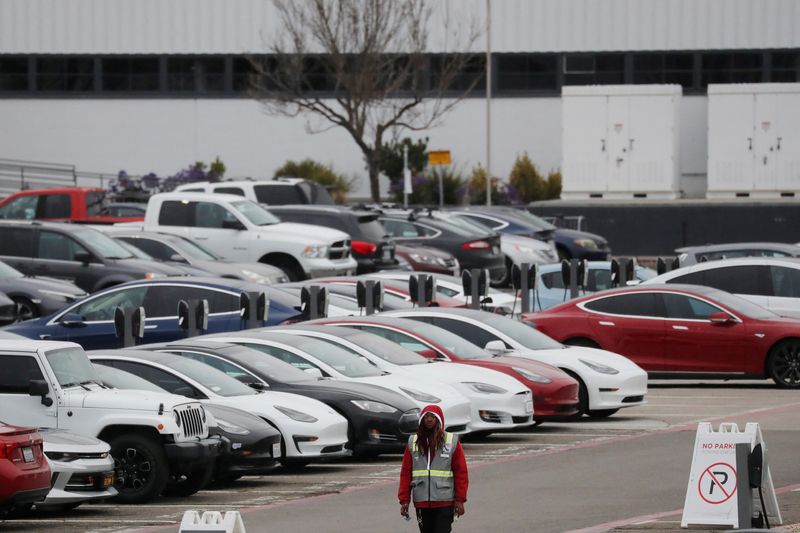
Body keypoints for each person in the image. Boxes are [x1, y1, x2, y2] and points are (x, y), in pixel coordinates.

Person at [398, 404, 468, 533]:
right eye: (426, 417)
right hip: (421, 501)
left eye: (432, 417)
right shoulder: (413, 442)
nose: (429, 420)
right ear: (421, 420)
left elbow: (461, 472)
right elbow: (406, 473)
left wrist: (460, 500)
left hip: (445, 500)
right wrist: (404, 500)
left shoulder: (451, 441)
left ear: (439, 420)